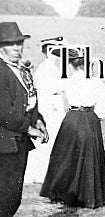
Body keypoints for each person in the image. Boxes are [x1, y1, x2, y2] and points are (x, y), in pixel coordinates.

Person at [0, 22, 48, 217]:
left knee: (13, 196)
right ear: (1, 47)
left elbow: (30, 101)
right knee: (5, 196)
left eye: (19, 43)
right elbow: (5, 113)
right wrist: (29, 128)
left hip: (18, 143)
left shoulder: (21, 70)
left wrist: (39, 121)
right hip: (4, 143)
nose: (17, 48)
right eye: (11, 44)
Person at [40, 49, 105, 208]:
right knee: (88, 155)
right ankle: (88, 195)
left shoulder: (66, 79)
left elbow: (51, 90)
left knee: (65, 156)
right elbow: (103, 106)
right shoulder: (96, 81)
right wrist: (98, 116)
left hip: (72, 118)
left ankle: (61, 192)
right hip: (89, 118)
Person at [25, 37, 67, 184]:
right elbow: (46, 92)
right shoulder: (47, 68)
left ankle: (47, 172)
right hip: (48, 109)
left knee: (53, 140)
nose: (59, 56)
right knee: (46, 140)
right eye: (57, 53)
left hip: (54, 107)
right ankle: (41, 173)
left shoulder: (54, 67)